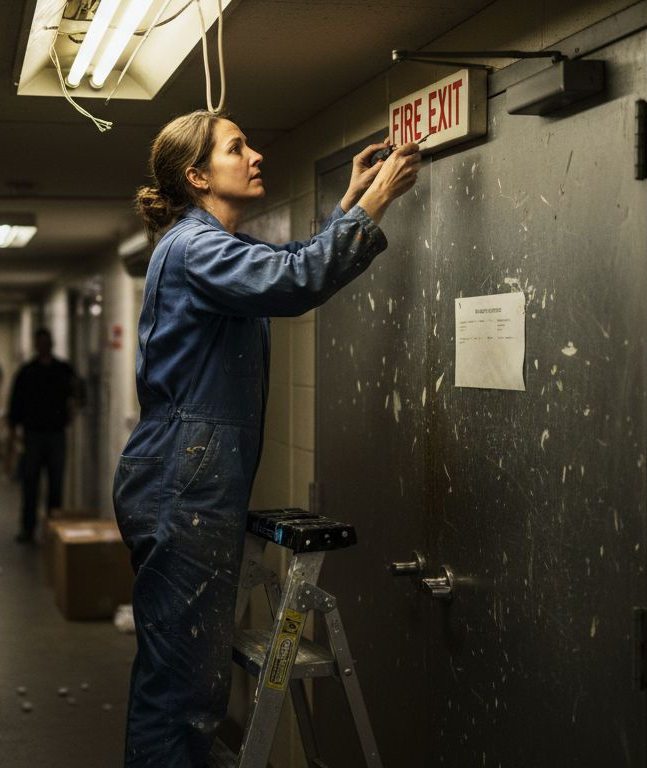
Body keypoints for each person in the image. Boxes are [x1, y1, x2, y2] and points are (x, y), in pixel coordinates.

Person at [113, 110, 420, 766]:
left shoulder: (204, 246)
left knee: (183, 678)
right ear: (198, 176)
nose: (254, 155)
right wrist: (374, 205)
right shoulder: (194, 246)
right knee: (183, 691)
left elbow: (279, 264)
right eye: (235, 147)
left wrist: (345, 207)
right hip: (182, 479)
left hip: (184, 475)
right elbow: (293, 281)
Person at [7, 328, 78, 544]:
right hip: (33, 435)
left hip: (56, 434)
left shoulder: (63, 369)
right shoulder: (27, 372)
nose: (44, 345)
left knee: (56, 486)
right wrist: (13, 432)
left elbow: (77, 393)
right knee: (30, 484)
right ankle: (28, 530)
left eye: (47, 341)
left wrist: (71, 413)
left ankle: (52, 531)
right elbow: (15, 403)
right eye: (40, 342)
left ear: (51, 343)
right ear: (36, 345)